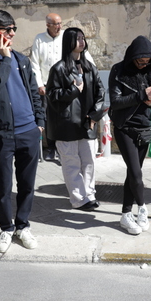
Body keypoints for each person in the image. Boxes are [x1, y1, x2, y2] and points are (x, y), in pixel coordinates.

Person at [0, 9, 46, 252]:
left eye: (14, 28)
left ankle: (23, 226)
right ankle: (6, 228)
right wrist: (4, 58)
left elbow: (34, 93)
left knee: (27, 184)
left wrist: (40, 123)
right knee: (3, 185)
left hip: (29, 131)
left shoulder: (22, 60)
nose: (13, 33)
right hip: (2, 135)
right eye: (8, 29)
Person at [45, 27, 107, 210]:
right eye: (77, 38)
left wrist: (95, 115)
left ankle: (89, 194)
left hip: (87, 122)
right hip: (66, 124)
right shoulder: (59, 69)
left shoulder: (90, 67)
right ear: (69, 42)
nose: (82, 41)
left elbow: (101, 92)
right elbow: (52, 95)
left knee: (89, 162)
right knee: (71, 163)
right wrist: (73, 91)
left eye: (83, 38)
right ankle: (79, 199)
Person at [109, 36, 151, 235]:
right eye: (141, 60)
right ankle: (143, 208)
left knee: (133, 173)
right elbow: (115, 101)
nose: (144, 64)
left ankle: (125, 214)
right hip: (124, 127)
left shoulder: (149, 72)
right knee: (136, 173)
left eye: (147, 61)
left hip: (143, 128)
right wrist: (142, 95)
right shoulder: (118, 70)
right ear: (133, 56)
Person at [30, 13, 64, 161]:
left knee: (64, 117)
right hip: (46, 85)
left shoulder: (65, 37)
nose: (59, 27)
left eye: (60, 23)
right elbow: (35, 63)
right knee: (48, 118)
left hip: (64, 86)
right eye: (56, 24)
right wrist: (39, 84)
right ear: (48, 25)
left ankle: (63, 148)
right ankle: (50, 147)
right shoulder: (39, 39)